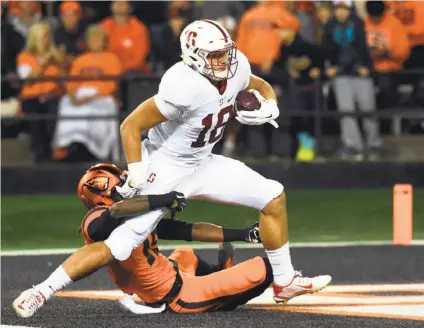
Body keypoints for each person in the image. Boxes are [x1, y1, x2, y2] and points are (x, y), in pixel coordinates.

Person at [13, 20, 332, 318]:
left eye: (225, 52)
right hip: (165, 165)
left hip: (203, 161)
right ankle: (42, 290)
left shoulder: (235, 67)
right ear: (194, 56)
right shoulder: (182, 83)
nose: (225, 61)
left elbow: (259, 84)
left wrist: (270, 105)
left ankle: (285, 280)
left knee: (273, 196)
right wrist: (138, 171)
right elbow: (130, 125)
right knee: (119, 244)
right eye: (215, 55)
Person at [13, 163, 265, 316]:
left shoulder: (136, 213)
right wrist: (163, 199)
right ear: (100, 192)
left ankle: (221, 274)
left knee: (185, 254)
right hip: (178, 295)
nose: (127, 185)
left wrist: (244, 234)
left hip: (170, 274)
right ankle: (223, 299)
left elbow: (188, 231)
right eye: (120, 183)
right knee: (263, 268)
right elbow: (116, 212)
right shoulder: (97, 220)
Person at [52, 25, 122, 162]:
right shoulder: (80, 60)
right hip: (80, 94)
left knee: (91, 110)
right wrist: (73, 95)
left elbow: (111, 85)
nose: (94, 41)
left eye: (98, 38)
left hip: (101, 95)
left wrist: (91, 97)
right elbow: (72, 82)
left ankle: (93, 149)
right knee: (66, 104)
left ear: (104, 40)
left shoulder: (112, 59)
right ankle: (68, 145)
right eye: (91, 38)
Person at [322, 0, 380, 161]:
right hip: (341, 74)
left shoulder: (360, 24)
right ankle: (353, 147)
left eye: (344, 9)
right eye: (338, 9)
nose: (342, 12)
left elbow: (365, 48)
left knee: (368, 110)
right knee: (346, 111)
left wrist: (365, 66)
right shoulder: (329, 26)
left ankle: (373, 145)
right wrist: (330, 66)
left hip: (360, 73)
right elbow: (326, 49)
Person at [17, 22, 66, 162]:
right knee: (37, 123)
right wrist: (43, 64)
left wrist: (60, 63)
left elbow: (64, 78)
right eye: (44, 37)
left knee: (52, 123)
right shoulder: (25, 56)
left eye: (48, 36)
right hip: (31, 98)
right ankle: (40, 157)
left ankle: (51, 155)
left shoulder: (55, 56)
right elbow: (27, 80)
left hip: (53, 96)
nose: (47, 40)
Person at [364, 1, 410, 112]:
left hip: (390, 69)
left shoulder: (394, 24)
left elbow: (403, 51)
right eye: (373, 17)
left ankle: (386, 120)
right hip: (368, 69)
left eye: (378, 16)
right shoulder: (363, 24)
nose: (375, 20)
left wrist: (387, 54)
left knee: (386, 86)